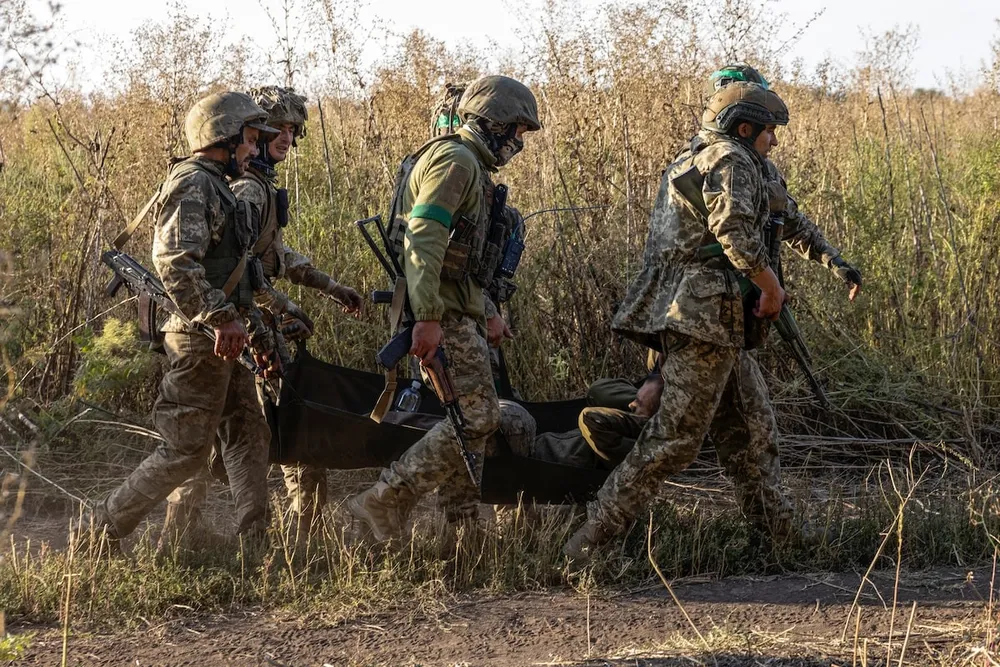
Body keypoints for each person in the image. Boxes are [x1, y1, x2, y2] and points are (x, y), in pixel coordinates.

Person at [563, 81, 795, 566]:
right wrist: (770, 287)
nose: (773, 142)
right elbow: (733, 233)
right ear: (745, 127)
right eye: (769, 132)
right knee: (673, 441)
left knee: (753, 430)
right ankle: (589, 544)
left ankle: (779, 539)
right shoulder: (730, 159)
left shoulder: (697, 157)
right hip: (705, 320)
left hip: (713, 321)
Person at [346, 75, 541, 541]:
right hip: (444, 313)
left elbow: (463, 261)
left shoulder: (470, 163)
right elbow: (425, 237)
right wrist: (429, 317)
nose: (518, 142)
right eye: (516, 130)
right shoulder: (455, 160)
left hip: (457, 308)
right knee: (478, 418)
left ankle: (462, 532)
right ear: (493, 123)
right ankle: (386, 497)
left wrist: (486, 309)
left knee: (464, 421)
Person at [91, 92, 279, 544]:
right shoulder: (193, 183)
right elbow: (174, 260)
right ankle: (98, 533)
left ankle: (256, 541)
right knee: (185, 450)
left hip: (223, 335)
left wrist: (247, 324)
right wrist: (219, 318)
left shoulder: (216, 185)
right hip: (199, 340)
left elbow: (234, 266)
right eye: (250, 141)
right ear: (225, 138)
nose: (254, 151)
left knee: (249, 432)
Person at [706, 64, 862, 299]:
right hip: (706, 304)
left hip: (737, 302)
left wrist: (835, 262)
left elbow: (791, 221)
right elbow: (733, 231)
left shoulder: (760, 167)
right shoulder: (721, 161)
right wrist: (770, 287)